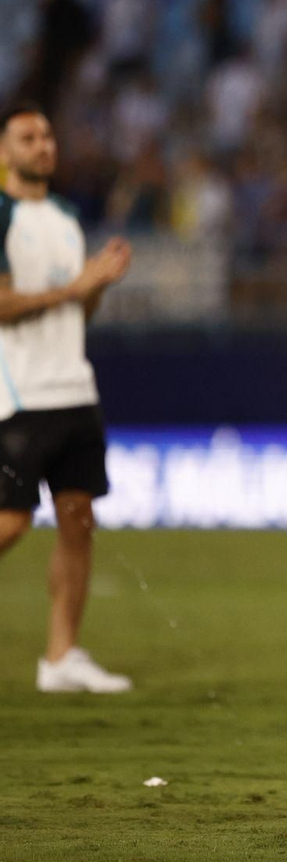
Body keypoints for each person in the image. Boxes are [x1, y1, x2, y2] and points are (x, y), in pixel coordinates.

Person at [0, 101, 133, 693]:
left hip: (74, 385)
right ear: (4, 151)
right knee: (9, 523)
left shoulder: (65, 215)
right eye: (28, 137)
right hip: (20, 392)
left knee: (78, 521)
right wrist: (75, 286)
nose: (43, 145)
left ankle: (61, 657)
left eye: (48, 134)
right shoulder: (2, 214)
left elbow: (79, 307)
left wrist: (96, 285)